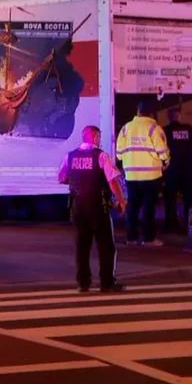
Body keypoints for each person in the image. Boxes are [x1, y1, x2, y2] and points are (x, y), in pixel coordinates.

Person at [58, 125, 128, 292]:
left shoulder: (70, 156)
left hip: (78, 207)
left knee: (82, 246)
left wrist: (78, 183)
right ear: (95, 138)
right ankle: (107, 282)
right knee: (106, 246)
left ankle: (83, 283)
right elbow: (113, 181)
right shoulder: (101, 156)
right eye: (99, 137)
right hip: (98, 206)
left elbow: (61, 178)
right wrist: (121, 201)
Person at [116, 100, 170, 246]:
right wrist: (166, 160)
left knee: (132, 206)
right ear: (151, 113)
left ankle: (131, 237)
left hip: (131, 175)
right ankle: (148, 238)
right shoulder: (154, 128)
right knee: (149, 206)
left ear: (137, 111)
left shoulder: (126, 128)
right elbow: (162, 151)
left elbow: (119, 154)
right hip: (151, 175)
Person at [163, 108, 192, 233]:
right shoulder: (188, 129)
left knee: (170, 199)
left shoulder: (166, 130)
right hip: (187, 169)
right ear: (179, 116)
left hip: (172, 170)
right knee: (188, 199)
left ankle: (170, 225)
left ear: (169, 117)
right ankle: (189, 224)